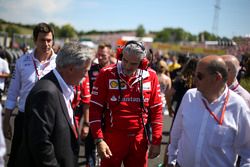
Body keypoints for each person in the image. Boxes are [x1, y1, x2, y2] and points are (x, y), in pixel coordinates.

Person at [17, 42, 94, 167]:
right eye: (85, 71)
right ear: (70, 68)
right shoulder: (46, 93)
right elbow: (40, 143)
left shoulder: (62, 87)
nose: (86, 76)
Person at [89, 41, 163, 167]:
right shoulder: (106, 73)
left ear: (143, 63)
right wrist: (99, 140)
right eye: (125, 60)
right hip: (112, 138)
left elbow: (156, 111)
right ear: (119, 56)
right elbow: (95, 109)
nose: (128, 66)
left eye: (133, 63)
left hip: (139, 139)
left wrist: (156, 141)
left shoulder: (151, 76)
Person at [167, 55, 250, 167]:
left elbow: (247, 151)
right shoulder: (189, 96)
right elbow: (176, 133)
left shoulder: (238, 106)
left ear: (217, 78)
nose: (194, 79)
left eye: (200, 76)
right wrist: (171, 160)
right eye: (195, 74)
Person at [3, 22, 57, 167]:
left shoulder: (59, 63)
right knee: (17, 160)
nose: (46, 44)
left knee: (46, 161)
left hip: (50, 121)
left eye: (49, 40)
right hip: (25, 119)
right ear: (34, 40)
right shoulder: (22, 62)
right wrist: (6, 119)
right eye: (42, 40)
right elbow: (13, 92)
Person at [86, 42, 114, 167]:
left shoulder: (115, 71)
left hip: (109, 113)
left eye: (104, 55)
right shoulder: (91, 69)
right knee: (90, 142)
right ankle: (90, 163)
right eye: (99, 54)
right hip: (93, 110)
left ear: (110, 55)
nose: (101, 57)